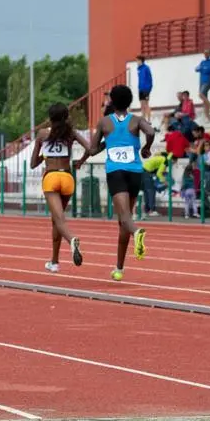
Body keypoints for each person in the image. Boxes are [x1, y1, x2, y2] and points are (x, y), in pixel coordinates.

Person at [81, 85, 153, 281]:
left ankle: (138, 232)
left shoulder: (104, 122)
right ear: (130, 102)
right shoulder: (136, 120)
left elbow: (93, 149)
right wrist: (146, 147)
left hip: (116, 173)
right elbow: (151, 131)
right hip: (135, 172)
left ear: (111, 101)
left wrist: (99, 143)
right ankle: (119, 268)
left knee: (125, 218)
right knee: (123, 221)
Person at [31, 103, 91, 273]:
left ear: (50, 118)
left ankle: (72, 239)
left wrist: (44, 155)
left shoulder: (43, 134)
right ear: (66, 117)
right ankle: (54, 261)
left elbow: (33, 164)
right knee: (56, 221)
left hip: (51, 177)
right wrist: (80, 162)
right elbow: (90, 148)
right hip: (67, 177)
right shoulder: (70, 133)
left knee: (59, 220)